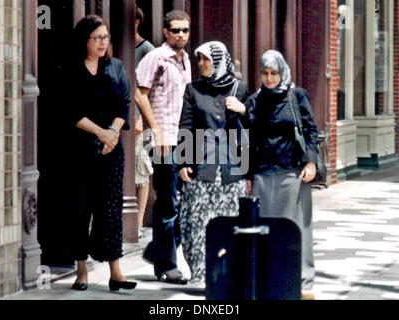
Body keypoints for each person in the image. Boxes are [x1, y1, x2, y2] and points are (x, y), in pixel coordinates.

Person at [64, 15, 137, 292]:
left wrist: (113, 133)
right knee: (80, 209)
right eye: (97, 38)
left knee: (110, 211)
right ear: (84, 40)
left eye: (106, 37)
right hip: (80, 150)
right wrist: (101, 132)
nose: (103, 43)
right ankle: (81, 270)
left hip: (111, 151)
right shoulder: (71, 70)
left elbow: (124, 103)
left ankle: (115, 271)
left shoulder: (116, 67)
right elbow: (71, 112)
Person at [245, 50, 318, 300]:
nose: (268, 78)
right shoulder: (255, 100)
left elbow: (310, 131)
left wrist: (311, 162)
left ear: (282, 72)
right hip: (264, 171)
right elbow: (250, 139)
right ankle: (271, 278)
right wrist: (248, 175)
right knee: (263, 226)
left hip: (292, 171)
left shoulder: (296, 96)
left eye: (273, 73)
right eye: (264, 73)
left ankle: (303, 282)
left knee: (297, 227)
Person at [178, 41, 249, 286]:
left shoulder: (240, 89)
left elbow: (249, 131)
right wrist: (182, 162)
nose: (202, 64)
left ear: (219, 61)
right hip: (202, 168)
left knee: (229, 222)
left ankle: (225, 274)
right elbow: (186, 126)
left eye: (207, 59)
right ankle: (199, 274)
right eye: (199, 59)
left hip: (231, 170)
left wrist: (243, 110)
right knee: (197, 222)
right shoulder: (193, 90)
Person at [134, 10, 192, 284]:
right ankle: (167, 266)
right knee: (168, 200)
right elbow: (139, 93)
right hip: (162, 140)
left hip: (183, 139)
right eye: (176, 30)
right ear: (166, 32)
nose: (181, 35)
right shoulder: (155, 57)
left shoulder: (185, 60)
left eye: (185, 30)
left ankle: (157, 251)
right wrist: (155, 129)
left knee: (187, 200)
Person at [134, 5, 155, 238]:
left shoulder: (146, 49)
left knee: (141, 168)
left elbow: (149, 87)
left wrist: (142, 116)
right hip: (118, 116)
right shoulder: (111, 46)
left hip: (138, 116)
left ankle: (138, 223)